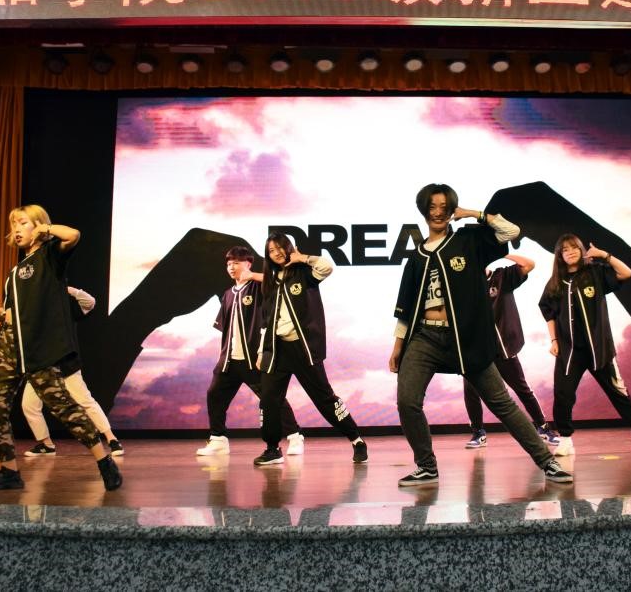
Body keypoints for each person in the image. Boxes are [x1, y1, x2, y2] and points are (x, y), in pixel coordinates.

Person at [389, 183, 571, 487]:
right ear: (423, 211)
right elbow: (405, 309)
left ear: (451, 210)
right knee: (407, 400)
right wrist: (397, 347)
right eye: (432, 207)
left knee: (502, 404)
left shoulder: (468, 240)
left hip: (467, 338)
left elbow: (511, 232)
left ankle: (547, 462)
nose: (437, 212)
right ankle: (426, 466)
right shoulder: (417, 257)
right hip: (425, 337)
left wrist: (474, 214)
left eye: (444, 207)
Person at [0, 205, 122, 491]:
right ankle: (9, 471)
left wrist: (45, 230)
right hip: (9, 345)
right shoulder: (14, 272)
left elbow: (73, 235)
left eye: (23, 223)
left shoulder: (49, 256)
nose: (16, 229)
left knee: (63, 406)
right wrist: (5, 313)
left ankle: (104, 460)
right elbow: (21, 308)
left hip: (38, 348)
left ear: (38, 225)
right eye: (14, 224)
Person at [254, 232, 367, 466]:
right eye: (271, 251)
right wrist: (260, 352)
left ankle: (356, 440)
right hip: (276, 350)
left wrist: (302, 258)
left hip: (303, 348)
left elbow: (327, 267)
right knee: (269, 399)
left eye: (279, 248)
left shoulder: (304, 273)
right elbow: (265, 321)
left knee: (324, 398)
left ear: (289, 247)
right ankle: (272, 449)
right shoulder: (270, 282)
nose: (276, 253)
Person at [538, 233, 631, 457]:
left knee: (618, 392)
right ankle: (566, 440)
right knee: (563, 394)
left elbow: (626, 273)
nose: (570, 252)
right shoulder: (555, 283)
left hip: (599, 349)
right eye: (565, 250)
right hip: (570, 351)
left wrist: (604, 255)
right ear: (560, 255)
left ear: (581, 250)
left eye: (574, 248)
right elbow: (548, 313)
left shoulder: (595, 272)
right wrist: (554, 341)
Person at [196, 246, 304, 457]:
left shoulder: (259, 287)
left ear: (248, 263)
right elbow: (226, 328)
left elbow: (278, 282)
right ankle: (218, 439)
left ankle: (295, 436)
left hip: (253, 359)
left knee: (272, 398)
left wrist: (253, 275)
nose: (231, 267)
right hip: (229, 360)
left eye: (236, 263)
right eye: (229, 264)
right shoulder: (228, 294)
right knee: (215, 395)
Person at [462, 254, 559, 449]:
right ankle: (478, 432)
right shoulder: (464, 287)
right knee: (471, 391)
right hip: (478, 351)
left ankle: (543, 427)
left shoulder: (501, 277)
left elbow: (530, 263)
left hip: (504, 348)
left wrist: (502, 253)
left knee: (522, 389)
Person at [21, 286, 125, 457]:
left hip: (65, 365)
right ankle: (47, 444)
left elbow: (90, 302)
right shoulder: (34, 314)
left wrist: (68, 289)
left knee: (85, 401)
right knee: (29, 405)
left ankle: (112, 439)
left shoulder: (65, 309)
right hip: (41, 367)